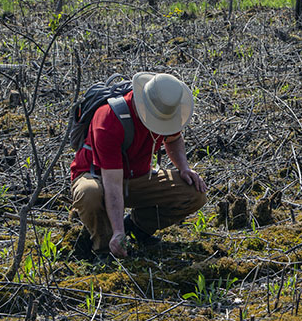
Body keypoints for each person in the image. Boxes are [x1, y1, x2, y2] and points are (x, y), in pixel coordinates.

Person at [69, 72, 207, 258]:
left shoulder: (166, 109)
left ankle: (135, 228)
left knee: (193, 193)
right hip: (98, 177)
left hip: (136, 177)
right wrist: (117, 232)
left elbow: (174, 139)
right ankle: (104, 248)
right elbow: (112, 183)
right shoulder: (109, 119)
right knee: (90, 194)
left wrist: (184, 168)